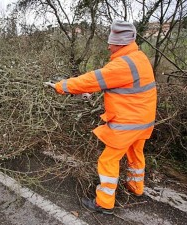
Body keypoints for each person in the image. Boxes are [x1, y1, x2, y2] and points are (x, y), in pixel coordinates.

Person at [44, 20, 157, 215]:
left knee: (108, 160)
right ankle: (136, 187)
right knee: (135, 154)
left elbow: (92, 79)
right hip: (144, 121)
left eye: (111, 42)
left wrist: (62, 86)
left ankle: (104, 202)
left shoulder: (123, 64)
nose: (108, 45)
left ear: (120, 43)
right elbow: (121, 86)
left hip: (128, 123)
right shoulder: (139, 57)